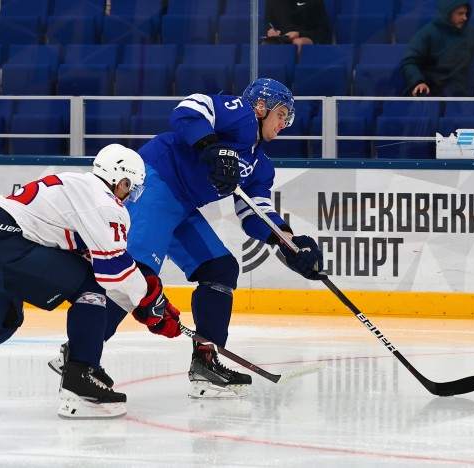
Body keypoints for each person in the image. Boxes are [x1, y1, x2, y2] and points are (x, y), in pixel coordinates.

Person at [0, 144, 182, 419]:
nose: (129, 196)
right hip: (7, 249)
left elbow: (92, 256)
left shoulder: (75, 184)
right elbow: (112, 272)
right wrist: (149, 304)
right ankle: (79, 379)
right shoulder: (105, 204)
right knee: (92, 289)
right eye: (131, 188)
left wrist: (147, 300)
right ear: (122, 180)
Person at [123, 78, 325, 399]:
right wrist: (212, 146)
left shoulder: (259, 165)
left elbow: (254, 213)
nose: (284, 123)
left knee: (220, 268)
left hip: (182, 206)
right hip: (157, 182)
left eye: (288, 118)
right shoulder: (241, 115)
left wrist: (290, 243)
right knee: (136, 277)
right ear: (262, 107)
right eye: (281, 114)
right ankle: (78, 357)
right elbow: (187, 111)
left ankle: (205, 361)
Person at [401, 0, 474, 97]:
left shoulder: (470, 32)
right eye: (460, 14)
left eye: (466, 13)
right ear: (448, 14)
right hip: (427, 88)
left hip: (455, 93)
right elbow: (409, 62)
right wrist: (419, 82)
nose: (465, 18)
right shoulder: (427, 32)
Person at [263, 0, 331, 56]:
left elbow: (322, 30)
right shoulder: (272, 1)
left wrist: (299, 34)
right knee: (267, 44)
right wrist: (271, 30)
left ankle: (297, 71)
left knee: (298, 43)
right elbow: (268, 22)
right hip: (281, 37)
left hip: (307, 36)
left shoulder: (314, 1)